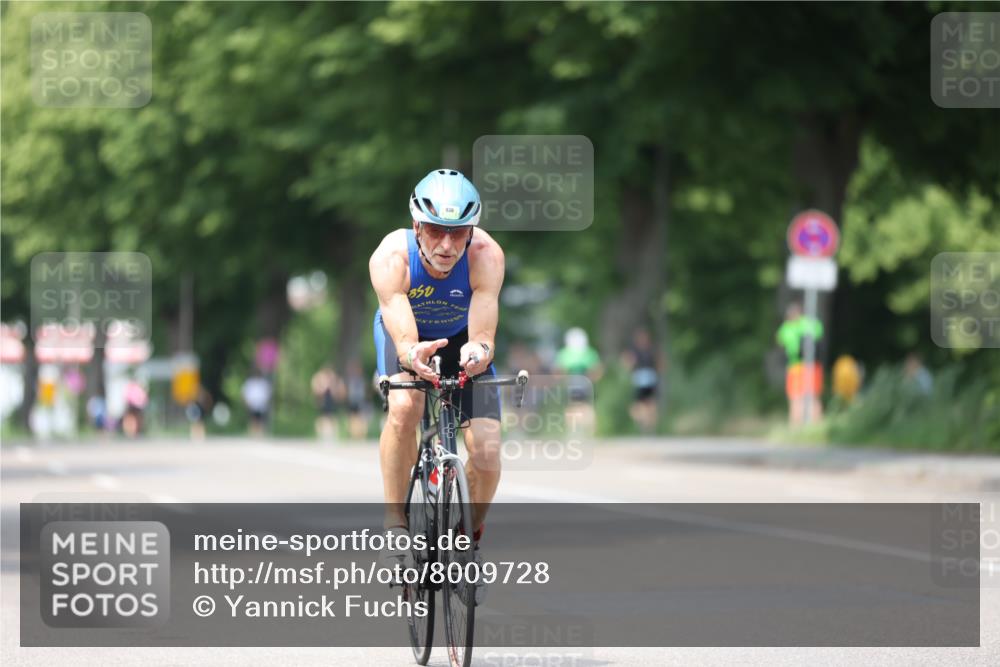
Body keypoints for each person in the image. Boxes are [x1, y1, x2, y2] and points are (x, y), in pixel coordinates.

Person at [369, 168, 503, 575]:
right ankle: (396, 523)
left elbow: (482, 334)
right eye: (434, 230)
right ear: (416, 226)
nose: (447, 245)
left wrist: (479, 351)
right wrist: (411, 356)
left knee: (487, 449)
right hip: (406, 337)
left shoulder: (486, 256)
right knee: (405, 407)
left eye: (458, 232)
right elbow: (405, 341)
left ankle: (467, 542)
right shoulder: (391, 258)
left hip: (462, 339)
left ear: (471, 232)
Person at [776, 302, 824, 425]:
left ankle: (795, 426)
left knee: (796, 397)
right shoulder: (809, 323)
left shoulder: (787, 327)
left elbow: (781, 341)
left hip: (797, 366)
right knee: (811, 397)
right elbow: (819, 332)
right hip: (811, 365)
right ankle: (816, 426)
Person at [555, 327, 602, 435]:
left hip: (573, 384)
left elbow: (558, 372)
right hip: (584, 384)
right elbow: (597, 370)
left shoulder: (565, 354)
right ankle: (589, 431)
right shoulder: (589, 353)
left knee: (573, 408)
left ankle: (575, 431)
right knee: (585, 408)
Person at [621, 327, 662, 434]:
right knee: (640, 404)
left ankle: (650, 426)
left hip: (650, 378)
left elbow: (660, 363)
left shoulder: (652, 349)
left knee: (650, 403)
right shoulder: (635, 350)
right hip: (639, 379)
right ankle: (644, 423)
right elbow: (627, 362)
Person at [310, 366, 341, 440]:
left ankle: (331, 435)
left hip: (329, 400)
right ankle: (322, 435)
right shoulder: (320, 378)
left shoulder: (332, 378)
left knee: (331, 417)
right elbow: (316, 388)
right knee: (323, 418)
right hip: (323, 399)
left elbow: (337, 389)